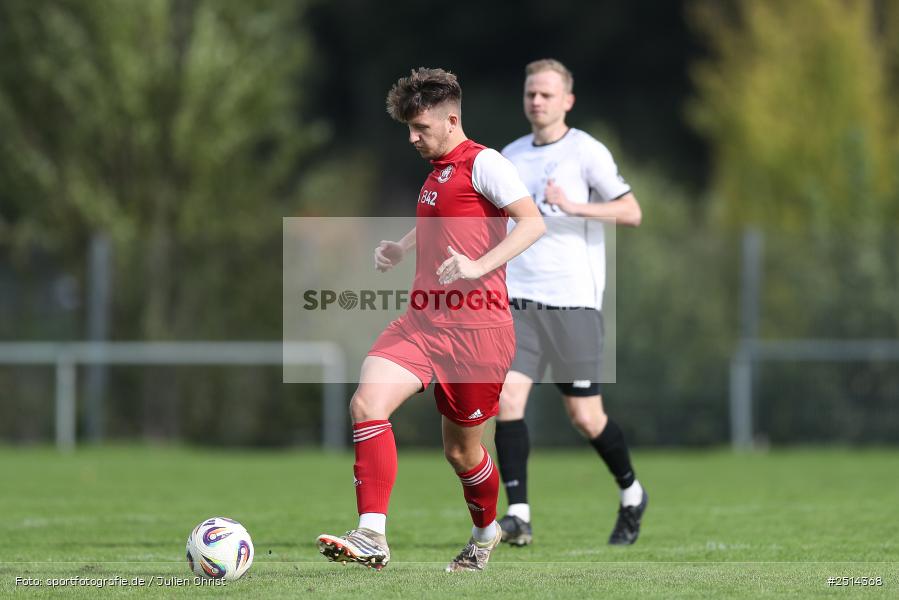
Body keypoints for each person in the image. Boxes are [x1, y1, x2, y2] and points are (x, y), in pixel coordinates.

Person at [316, 67, 545, 572]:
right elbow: (443, 226)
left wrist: (478, 267)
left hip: (478, 335)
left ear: (451, 120)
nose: (413, 138)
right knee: (366, 403)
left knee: (462, 454)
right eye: (409, 129)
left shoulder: (485, 163)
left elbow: (532, 223)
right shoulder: (437, 171)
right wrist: (402, 247)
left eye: (420, 128)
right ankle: (372, 534)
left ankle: (485, 532)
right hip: (422, 324)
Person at [495, 59, 647, 547]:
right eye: (530, 93)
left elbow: (632, 211)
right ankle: (518, 515)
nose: (537, 101)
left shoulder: (586, 151)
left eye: (546, 94)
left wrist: (573, 206)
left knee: (585, 417)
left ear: (567, 100)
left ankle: (632, 493)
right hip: (519, 301)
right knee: (506, 400)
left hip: (574, 303)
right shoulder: (510, 156)